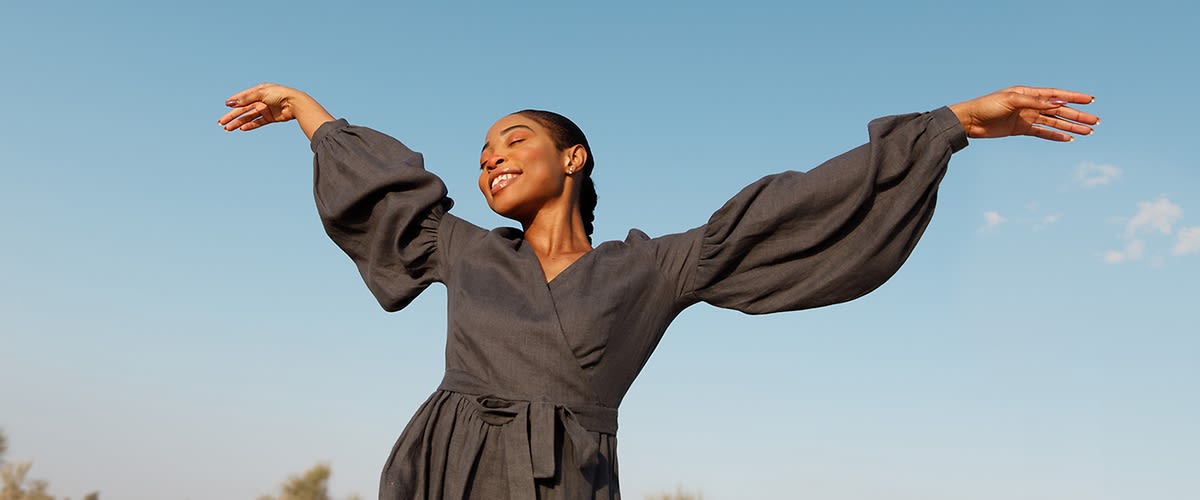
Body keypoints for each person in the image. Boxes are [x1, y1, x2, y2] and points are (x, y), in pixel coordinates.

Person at [217, 84, 1098, 500]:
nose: (490, 156)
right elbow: (389, 196)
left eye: (512, 139)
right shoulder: (462, 247)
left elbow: (788, 209)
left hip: (566, 481)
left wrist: (951, 126)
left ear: (573, 158)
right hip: (444, 469)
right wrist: (306, 110)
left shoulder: (656, 266)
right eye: (482, 151)